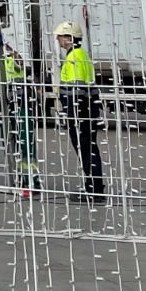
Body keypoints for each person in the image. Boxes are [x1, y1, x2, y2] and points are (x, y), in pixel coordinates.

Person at [55, 20, 106, 201]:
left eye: (60, 37)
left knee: (86, 150)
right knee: (90, 148)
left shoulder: (74, 57)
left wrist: (69, 114)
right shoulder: (81, 54)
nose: (58, 40)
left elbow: (76, 90)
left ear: (69, 38)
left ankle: (94, 191)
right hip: (88, 110)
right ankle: (95, 187)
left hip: (80, 113)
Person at [0, 36, 39, 191]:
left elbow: (20, 63)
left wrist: (8, 48)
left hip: (21, 108)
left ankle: (32, 180)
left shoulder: (8, 62)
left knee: (26, 144)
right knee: (10, 144)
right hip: (7, 111)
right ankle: (19, 177)